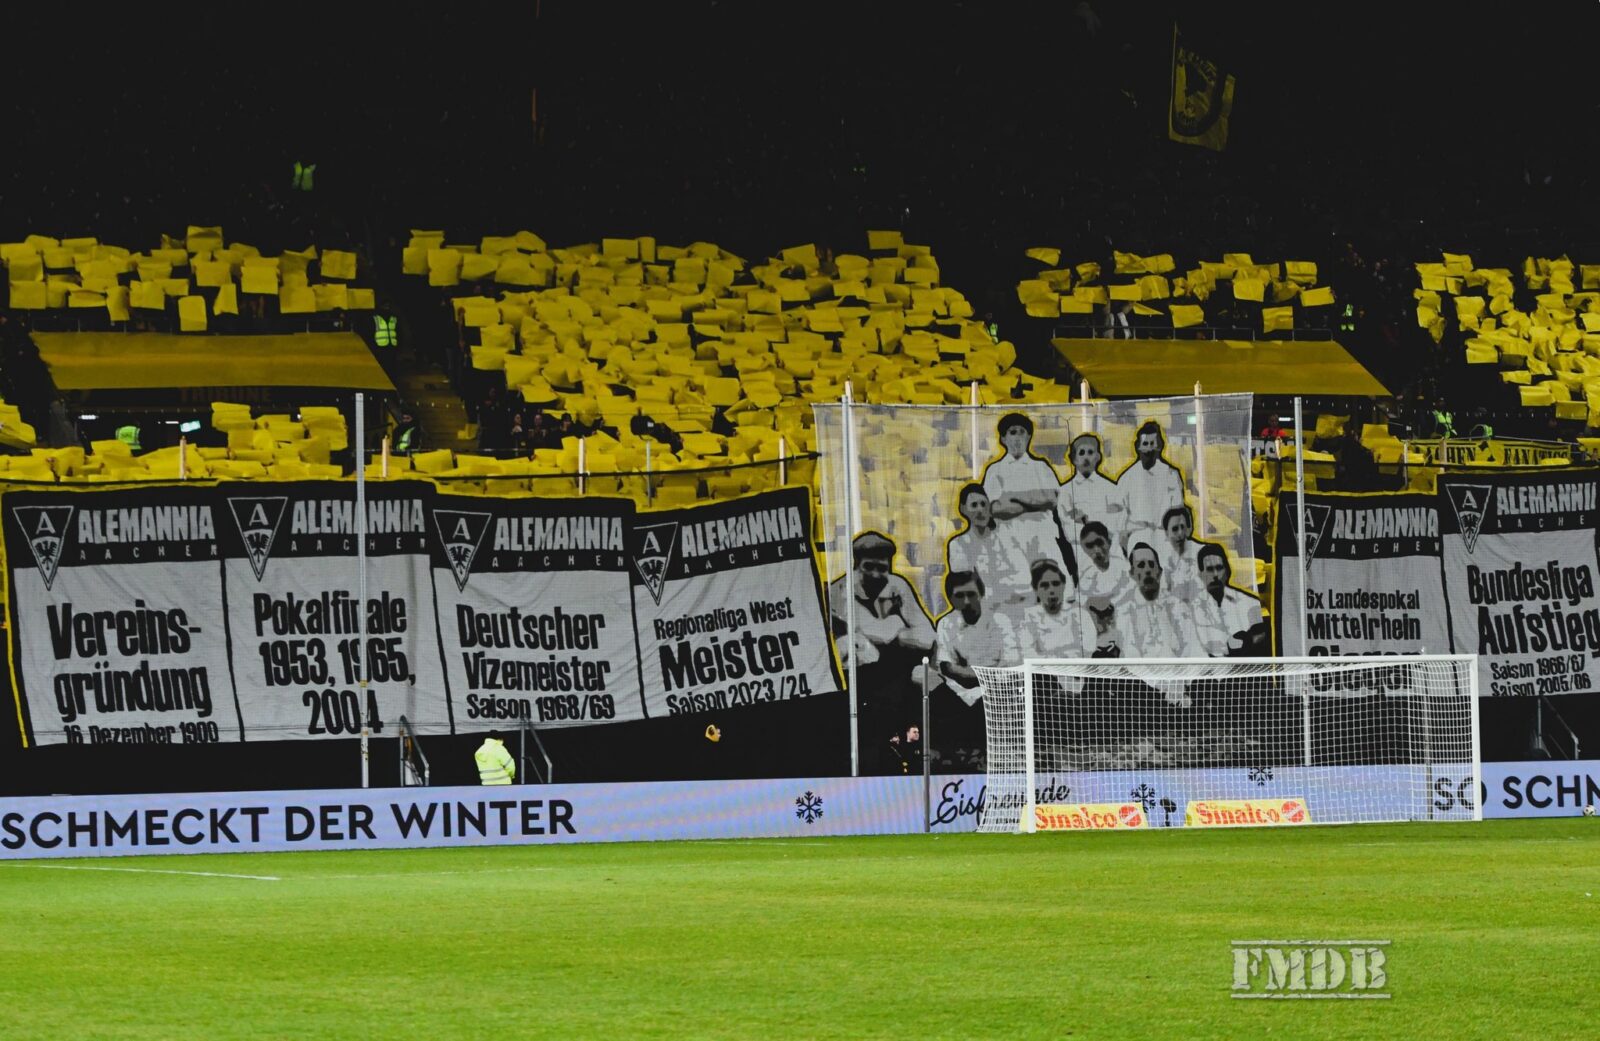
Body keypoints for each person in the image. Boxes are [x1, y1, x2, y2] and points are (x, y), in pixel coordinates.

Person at [828, 532, 935, 772]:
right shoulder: (839, 592)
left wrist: (893, 635)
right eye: (869, 567)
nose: (876, 575)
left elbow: (927, 637)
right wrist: (895, 625)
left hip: (893, 668)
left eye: (882, 567)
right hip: (858, 676)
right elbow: (855, 639)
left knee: (923, 680)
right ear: (856, 564)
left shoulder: (897, 586)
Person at [982, 412, 1066, 582]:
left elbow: (1052, 499)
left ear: (1028, 436)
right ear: (1004, 438)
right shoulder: (995, 470)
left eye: (1022, 432)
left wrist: (1013, 498)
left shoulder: (1040, 467)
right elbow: (996, 509)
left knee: (1054, 584)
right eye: (1012, 432)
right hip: (1008, 536)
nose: (1017, 437)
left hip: (1043, 535)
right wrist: (1035, 501)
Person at [946, 483, 1033, 620]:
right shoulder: (958, 544)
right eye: (974, 505)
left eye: (983, 504)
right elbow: (967, 587)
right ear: (963, 509)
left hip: (1013, 606)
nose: (980, 510)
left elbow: (1023, 578)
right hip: (981, 612)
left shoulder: (1006, 539)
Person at [934, 570, 1021, 701]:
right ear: (950, 599)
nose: (967, 601)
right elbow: (945, 667)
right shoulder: (946, 623)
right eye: (959, 596)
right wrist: (977, 674)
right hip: (960, 692)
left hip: (998, 694)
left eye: (971, 594)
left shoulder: (1000, 621)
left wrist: (963, 671)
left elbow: (1008, 670)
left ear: (981, 594)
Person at [1055, 432, 1124, 574]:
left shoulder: (1110, 488)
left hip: (1108, 551)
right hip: (1079, 554)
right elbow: (1068, 527)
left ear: (1098, 457)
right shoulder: (1066, 491)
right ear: (1074, 459)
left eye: (1090, 452)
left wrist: (1085, 519)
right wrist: (1101, 517)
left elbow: (1117, 522)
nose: (1086, 457)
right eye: (1081, 453)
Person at [1120, 543, 1203, 659]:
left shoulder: (1177, 606)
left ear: (1159, 573)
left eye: (1151, 564)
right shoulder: (1126, 612)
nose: (1147, 570)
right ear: (1132, 574)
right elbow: (1129, 654)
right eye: (1141, 565)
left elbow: (1192, 647)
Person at [1117, 421, 1187, 554]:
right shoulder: (1128, 477)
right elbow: (1120, 513)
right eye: (1145, 444)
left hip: (1164, 539)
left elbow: (1177, 511)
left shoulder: (1171, 474)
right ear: (1138, 447)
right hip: (1136, 538)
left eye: (1152, 444)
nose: (1148, 449)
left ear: (1159, 447)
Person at [1191, 543, 1266, 657]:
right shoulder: (1191, 606)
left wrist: (1248, 640)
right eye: (1210, 569)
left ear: (1226, 571)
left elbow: (1262, 636)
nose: (1215, 574)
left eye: (1219, 568)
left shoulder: (1249, 601)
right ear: (1201, 574)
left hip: (1242, 668)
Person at [1020, 559, 1083, 660]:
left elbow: (1087, 648)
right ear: (1036, 590)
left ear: (1063, 585)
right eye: (1044, 585)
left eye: (1056, 583)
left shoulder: (1077, 613)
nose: (1051, 590)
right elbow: (1027, 652)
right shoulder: (1029, 617)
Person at [1074, 520, 1133, 605]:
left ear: (1108, 542)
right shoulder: (1085, 578)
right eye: (1090, 546)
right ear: (1084, 549)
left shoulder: (1124, 567)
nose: (1096, 550)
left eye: (1099, 543)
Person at [1157, 505, 1203, 602]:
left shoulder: (1201, 554)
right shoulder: (1161, 558)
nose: (1180, 533)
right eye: (1175, 529)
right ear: (1166, 532)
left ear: (1189, 529)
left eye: (1183, 527)